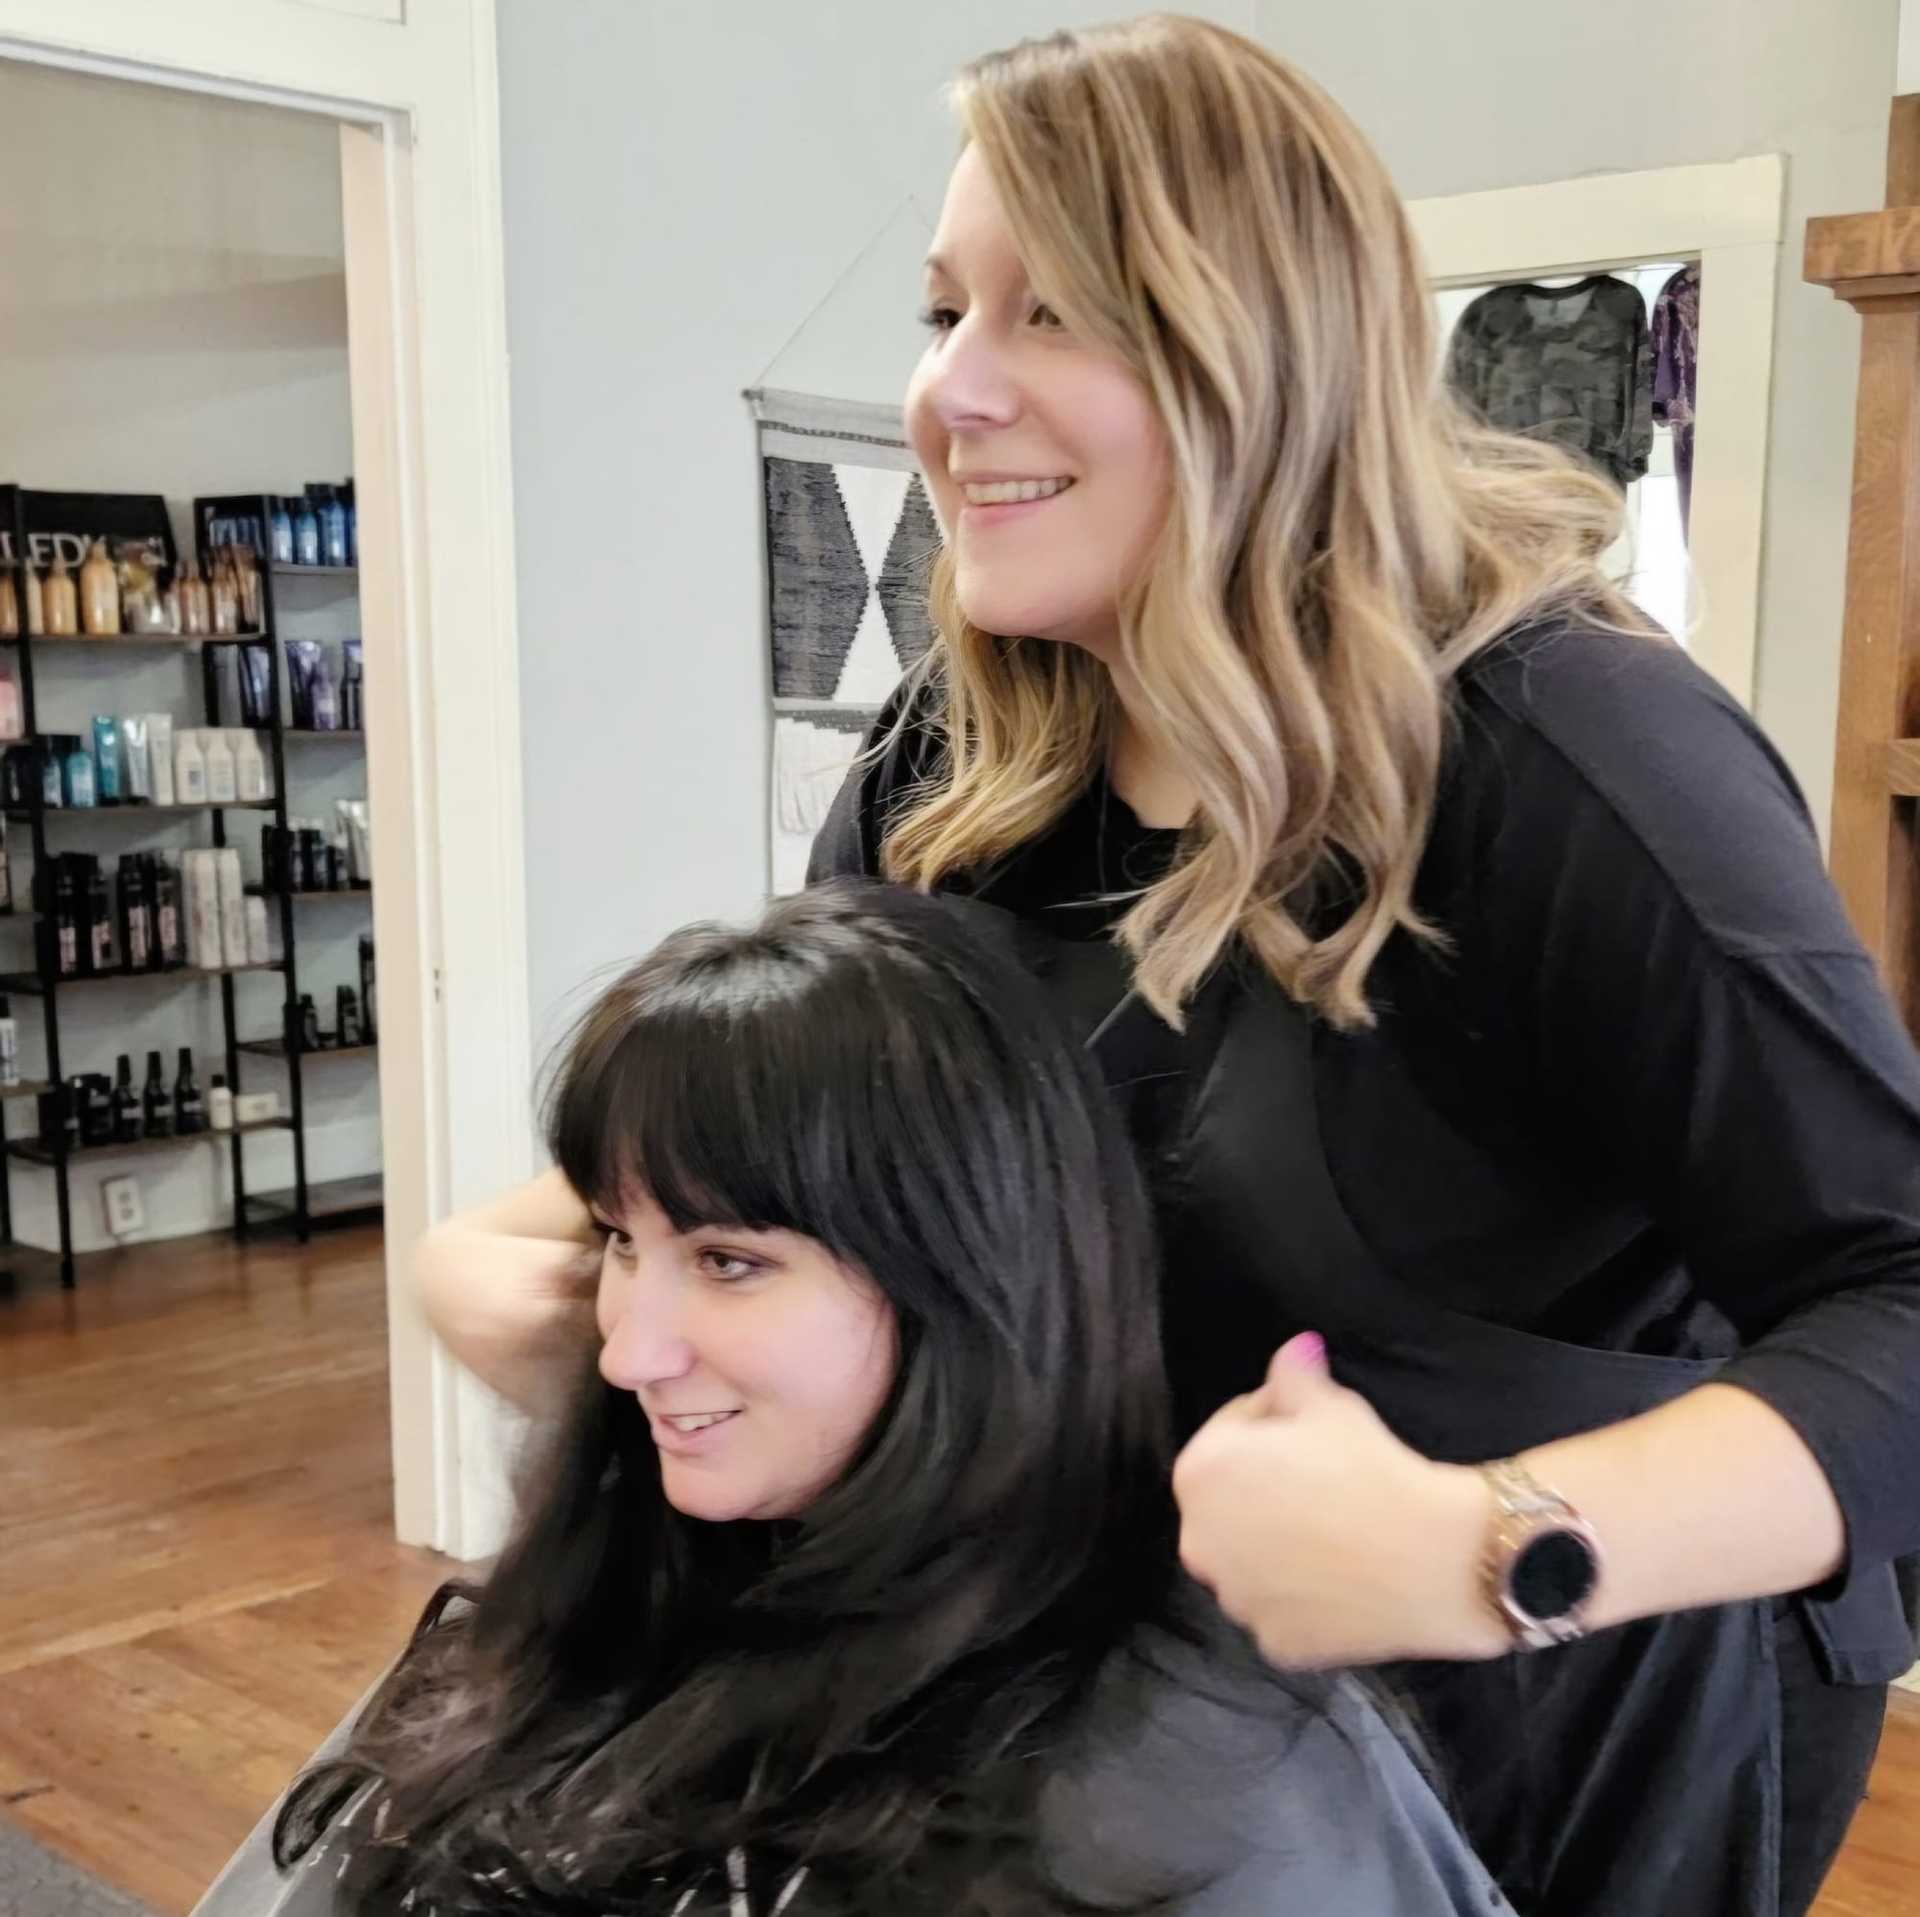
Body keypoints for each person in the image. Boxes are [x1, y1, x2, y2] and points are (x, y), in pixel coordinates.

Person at [424, 17, 1920, 1917]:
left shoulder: (1581, 771)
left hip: (1559, 1729)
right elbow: (834, 1144)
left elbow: (1902, 1297)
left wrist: (1494, 1542)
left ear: (1264, 355)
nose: (947, 393)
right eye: (944, 309)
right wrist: (585, 1248)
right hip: (1129, 1715)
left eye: (1052, 316)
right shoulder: (948, 773)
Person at [199, 884, 1507, 1917]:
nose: (626, 1352)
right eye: (616, 1241)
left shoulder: (1192, 1778)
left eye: (729, 1261)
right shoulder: (600, 1600)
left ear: (963, 1278)